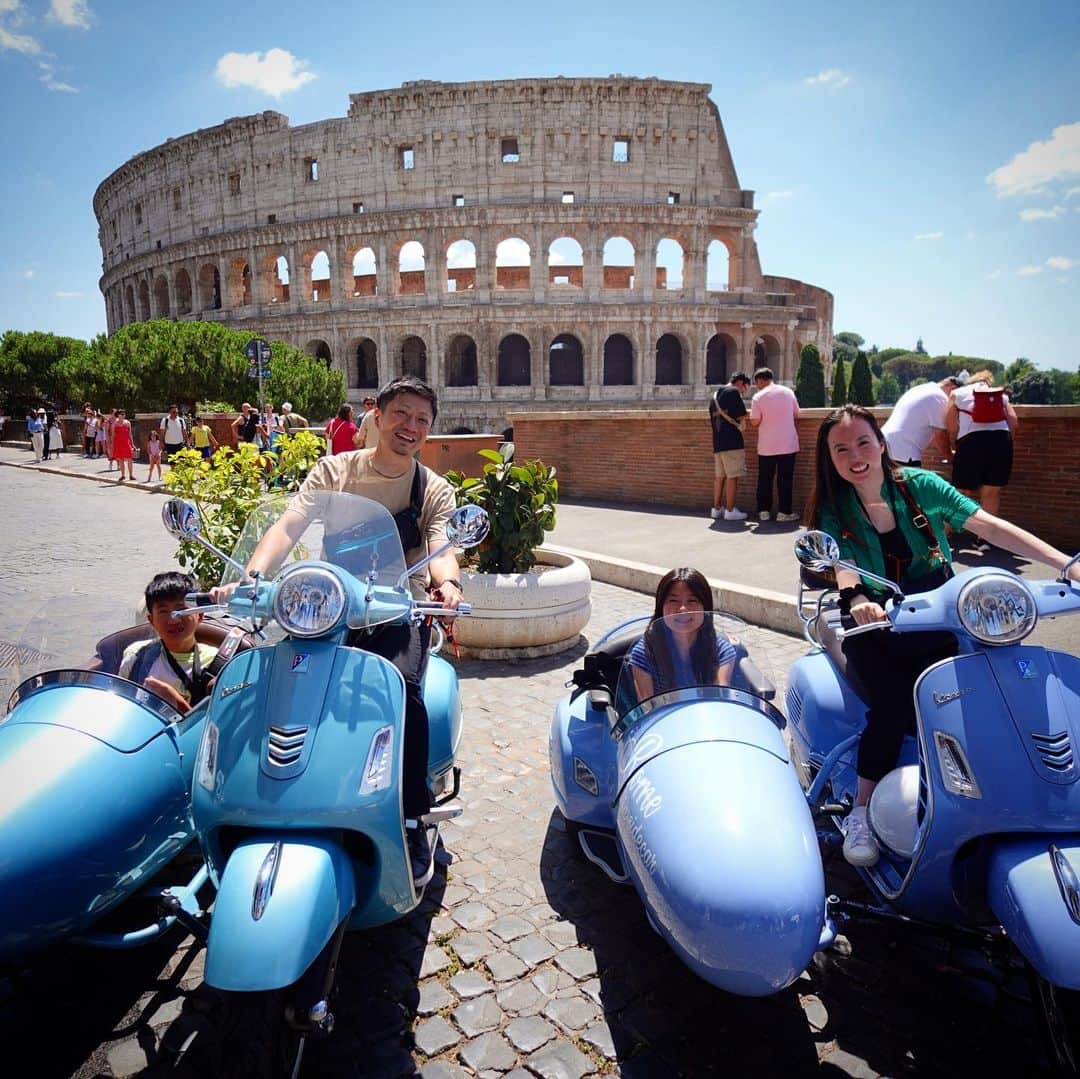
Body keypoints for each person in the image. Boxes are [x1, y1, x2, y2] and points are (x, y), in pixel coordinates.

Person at [210, 376, 464, 886]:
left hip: (395, 610)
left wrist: (449, 585)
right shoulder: (335, 470)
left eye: (422, 420)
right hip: (326, 605)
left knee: (404, 690)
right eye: (402, 414)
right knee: (272, 679)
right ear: (378, 416)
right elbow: (288, 525)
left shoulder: (433, 488)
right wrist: (252, 575)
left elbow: (442, 545)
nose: (410, 427)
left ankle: (413, 815)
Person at [805, 405, 1080, 867]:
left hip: (942, 609)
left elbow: (988, 525)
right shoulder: (834, 509)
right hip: (876, 620)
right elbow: (841, 567)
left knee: (997, 682)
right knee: (893, 704)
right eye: (842, 448)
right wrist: (855, 601)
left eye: (863, 442)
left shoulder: (922, 487)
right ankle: (861, 809)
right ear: (829, 457)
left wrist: (1066, 564)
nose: (855, 454)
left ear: (882, 443)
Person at [118, 572, 220, 715]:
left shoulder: (217, 663)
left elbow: (216, 732)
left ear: (200, 615)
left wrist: (176, 702)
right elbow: (121, 708)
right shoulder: (136, 655)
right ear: (151, 620)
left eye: (182, 610)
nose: (173, 620)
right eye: (163, 611)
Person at [628, 567, 737, 700]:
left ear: (705, 608)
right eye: (674, 601)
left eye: (692, 601)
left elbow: (719, 699)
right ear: (660, 607)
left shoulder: (722, 651)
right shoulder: (644, 653)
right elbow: (647, 709)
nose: (683, 609)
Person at [946, 370, 1018, 520]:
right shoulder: (1001, 396)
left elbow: (951, 426)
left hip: (970, 443)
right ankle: (984, 540)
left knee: (961, 493)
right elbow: (1014, 422)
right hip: (1001, 442)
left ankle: (943, 536)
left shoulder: (957, 394)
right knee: (991, 493)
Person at [748, 367, 800, 523]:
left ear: (760, 380)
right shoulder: (788, 392)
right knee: (785, 479)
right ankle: (784, 512)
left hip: (766, 445)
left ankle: (763, 511)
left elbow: (755, 421)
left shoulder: (758, 397)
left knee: (765, 479)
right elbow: (796, 413)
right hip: (788, 443)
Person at [882, 372, 966, 467]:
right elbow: (940, 436)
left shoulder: (921, 389)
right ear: (953, 389)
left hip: (884, 445)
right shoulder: (940, 397)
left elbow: (935, 436)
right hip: (904, 453)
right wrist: (951, 458)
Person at [708, 372, 751, 521]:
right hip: (732, 441)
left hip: (718, 442)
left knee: (719, 477)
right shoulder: (733, 392)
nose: (743, 392)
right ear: (741, 383)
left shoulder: (715, 395)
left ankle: (716, 508)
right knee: (733, 476)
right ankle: (730, 510)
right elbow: (741, 414)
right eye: (745, 389)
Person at [112, 408, 135, 481]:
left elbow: (130, 434)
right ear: (118, 415)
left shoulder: (128, 423)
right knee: (121, 460)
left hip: (126, 443)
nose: (123, 415)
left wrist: (132, 444)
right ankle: (123, 475)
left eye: (124, 414)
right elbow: (113, 435)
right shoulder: (114, 424)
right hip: (118, 443)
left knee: (130, 459)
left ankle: (131, 475)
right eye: (121, 414)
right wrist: (112, 445)